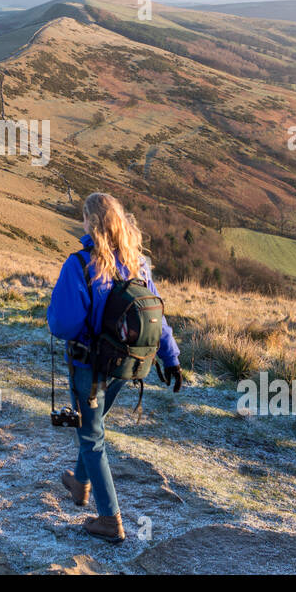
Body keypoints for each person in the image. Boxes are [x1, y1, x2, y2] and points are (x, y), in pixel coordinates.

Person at [47, 192, 181, 543]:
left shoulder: (80, 264)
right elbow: (158, 317)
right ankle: (80, 482)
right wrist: (172, 358)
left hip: (88, 366)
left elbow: (62, 324)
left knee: (92, 436)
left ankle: (110, 519)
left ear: (90, 223)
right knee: (94, 425)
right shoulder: (138, 263)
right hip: (128, 367)